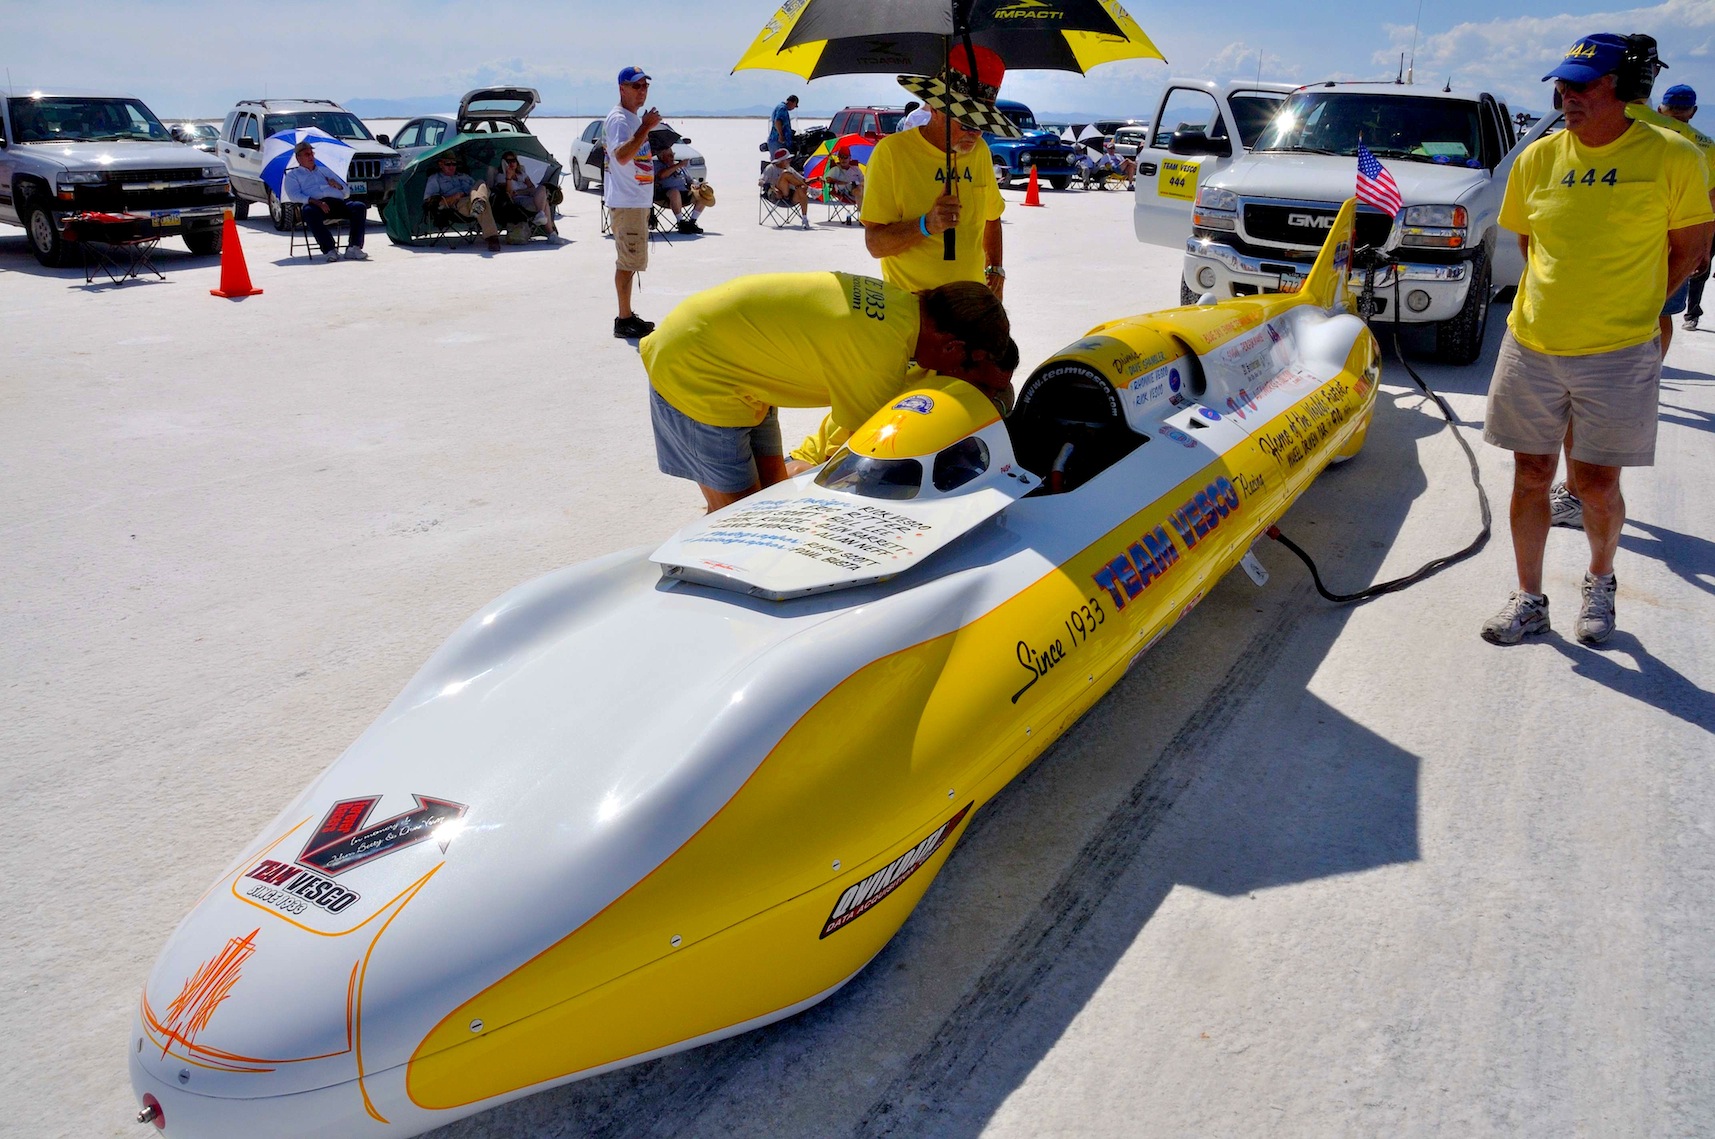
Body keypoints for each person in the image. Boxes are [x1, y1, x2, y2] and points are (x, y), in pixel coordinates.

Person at [1479, 32, 1712, 646]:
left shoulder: (1672, 156)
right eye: (1561, 85)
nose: (1566, 96)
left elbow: (1691, 248)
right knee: (1530, 474)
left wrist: (1629, 304)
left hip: (1618, 353)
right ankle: (1530, 599)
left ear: (1623, 90)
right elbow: (1532, 246)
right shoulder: (1539, 157)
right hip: (1530, 344)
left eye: (1581, 85)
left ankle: (1600, 581)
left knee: (1595, 485)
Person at [640, 273, 1018, 512]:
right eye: (966, 371)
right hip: (697, 370)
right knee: (736, 521)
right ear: (952, 348)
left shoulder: (901, 311)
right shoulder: (880, 352)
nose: (951, 378)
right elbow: (870, 463)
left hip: (744, 368)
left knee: (771, 500)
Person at [862, 44, 1014, 300]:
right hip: (912, 307)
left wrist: (995, 268)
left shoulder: (980, 152)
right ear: (934, 108)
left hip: (971, 306)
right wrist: (927, 224)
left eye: (982, 125)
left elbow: (992, 216)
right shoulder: (892, 153)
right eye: (966, 123)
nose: (975, 134)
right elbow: (875, 244)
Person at [605, 66, 661, 339]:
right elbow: (622, 155)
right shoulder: (619, 120)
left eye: (645, 86)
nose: (642, 91)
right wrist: (646, 127)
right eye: (636, 86)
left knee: (631, 258)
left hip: (635, 201)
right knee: (627, 261)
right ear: (622, 89)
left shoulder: (631, 119)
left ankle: (626, 316)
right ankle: (624, 318)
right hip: (627, 202)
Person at [284, 140, 368, 262]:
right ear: (298, 158)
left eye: (312, 154)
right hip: (316, 205)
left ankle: (353, 247)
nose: (311, 157)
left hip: (336, 203)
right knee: (308, 212)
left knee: (359, 207)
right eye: (307, 155)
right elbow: (294, 195)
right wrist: (316, 202)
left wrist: (337, 186)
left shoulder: (325, 171)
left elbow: (346, 193)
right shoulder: (294, 175)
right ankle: (329, 249)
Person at [423, 153, 501, 252]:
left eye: (454, 164)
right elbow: (431, 202)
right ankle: (492, 238)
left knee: (481, 184)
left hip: (472, 198)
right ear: (440, 164)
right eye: (448, 164)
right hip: (457, 205)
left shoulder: (464, 176)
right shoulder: (435, 179)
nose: (452, 167)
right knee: (483, 202)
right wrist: (454, 197)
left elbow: (478, 189)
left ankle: (477, 203)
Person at [495, 151, 560, 240]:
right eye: (508, 161)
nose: (512, 163)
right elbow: (509, 194)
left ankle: (541, 215)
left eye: (514, 160)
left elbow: (532, 188)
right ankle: (551, 233)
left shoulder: (521, 174)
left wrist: (520, 191)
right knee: (545, 202)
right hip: (516, 201)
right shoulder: (502, 176)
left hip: (527, 196)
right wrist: (509, 177)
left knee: (542, 188)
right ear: (504, 162)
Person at [654, 143, 704, 234]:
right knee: (674, 192)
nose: (672, 157)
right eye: (669, 155)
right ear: (661, 157)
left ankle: (692, 222)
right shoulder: (658, 165)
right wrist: (677, 166)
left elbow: (690, 180)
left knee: (704, 193)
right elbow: (662, 175)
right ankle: (680, 222)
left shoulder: (679, 166)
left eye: (673, 154)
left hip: (685, 193)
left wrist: (697, 184)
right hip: (666, 196)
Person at [761, 148, 811, 227]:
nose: (789, 160)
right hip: (776, 195)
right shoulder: (771, 168)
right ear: (781, 161)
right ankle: (810, 190)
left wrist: (815, 178)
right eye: (787, 159)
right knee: (785, 174)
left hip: (791, 196)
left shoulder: (789, 168)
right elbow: (761, 182)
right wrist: (773, 189)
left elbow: (802, 179)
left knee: (801, 188)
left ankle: (804, 218)